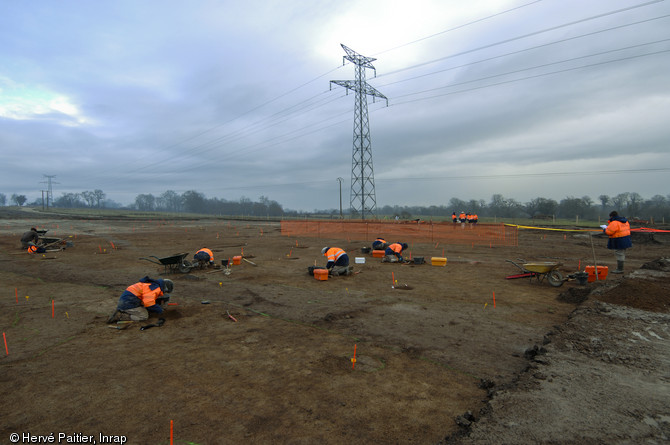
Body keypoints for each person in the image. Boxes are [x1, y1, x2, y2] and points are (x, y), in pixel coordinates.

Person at [107, 276, 173, 323]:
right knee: (144, 316)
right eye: (166, 292)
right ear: (165, 288)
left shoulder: (152, 284)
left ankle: (124, 311)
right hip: (128, 302)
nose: (164, 293)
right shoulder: (155, 288)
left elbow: (147, 299)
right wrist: (159, 310)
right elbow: (149, 304)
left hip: (128, 300)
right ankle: (121, 316)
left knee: (146, 308)